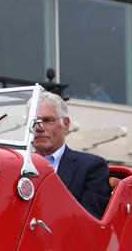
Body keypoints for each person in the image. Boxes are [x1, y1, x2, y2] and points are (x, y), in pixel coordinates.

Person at [33, 91, 111, 219]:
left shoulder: (91, 167)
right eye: (35, 121)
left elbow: (89, 222)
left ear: (66, 125)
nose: (40, 127)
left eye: (48, 120)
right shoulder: (17, 167)